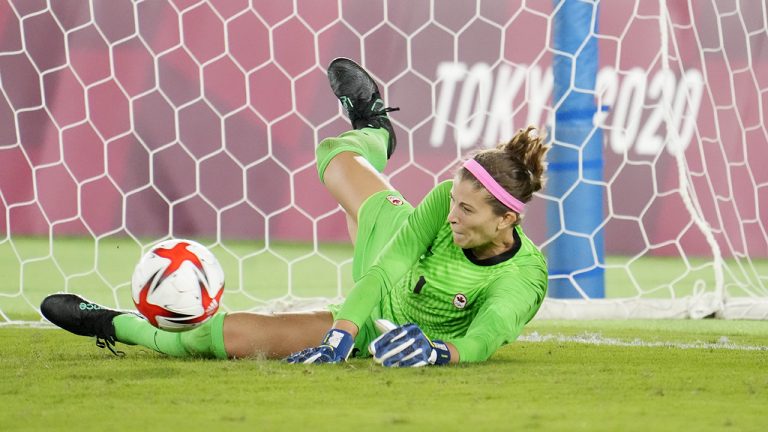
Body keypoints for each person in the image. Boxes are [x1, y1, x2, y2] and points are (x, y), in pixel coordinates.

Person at [40, 58, 549, 366]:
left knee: (216, 339)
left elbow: (484, 338)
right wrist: (338, 335)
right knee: (334, 157)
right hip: (390, 248)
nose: (452, 214)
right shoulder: (445, 202)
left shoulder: (525, 278)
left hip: (387, 330)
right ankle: (374, 129)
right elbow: (387, 267)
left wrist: (439, 353)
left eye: (466, 210)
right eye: (452, 201)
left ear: (506, 220)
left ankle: (109, 323)